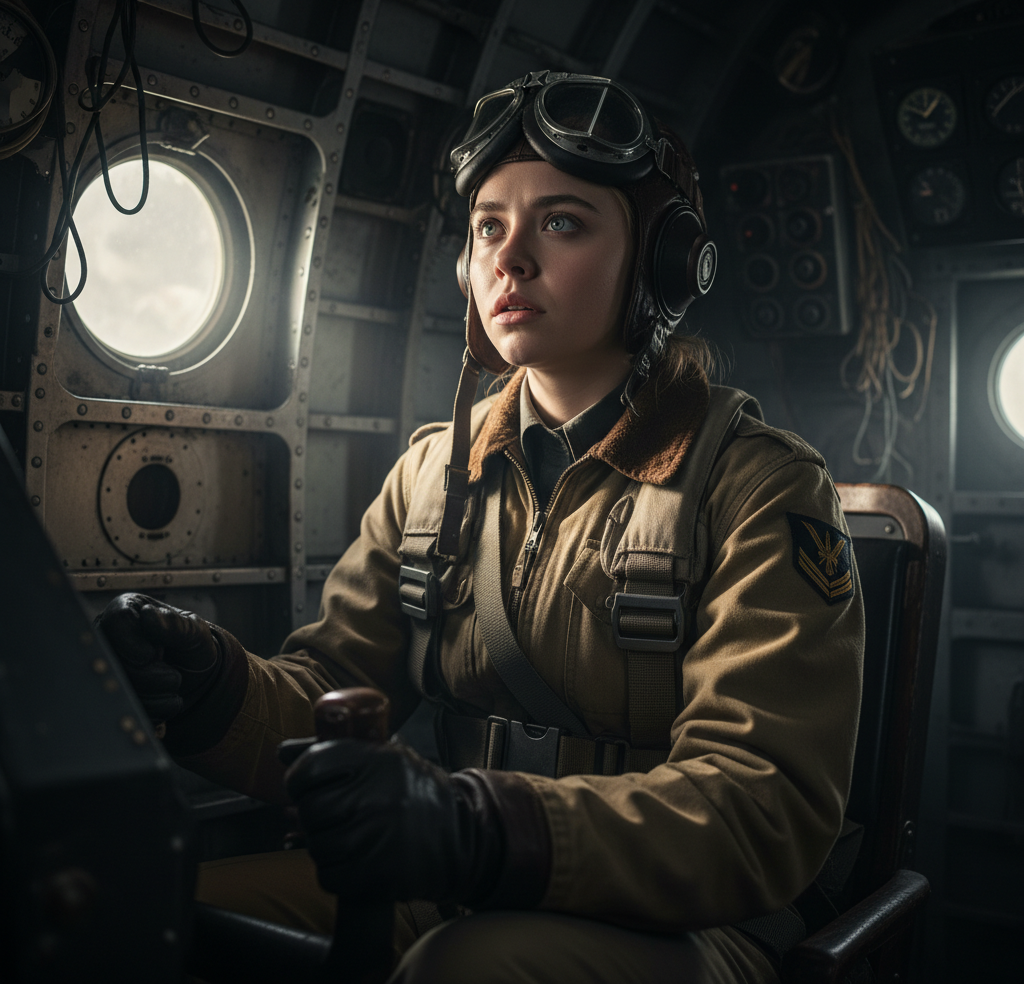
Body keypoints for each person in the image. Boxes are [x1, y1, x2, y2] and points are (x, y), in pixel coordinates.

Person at [98, 71, 864, 984]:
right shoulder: (434, 474)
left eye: (564, 222)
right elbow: (334, 690)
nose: (512, 258)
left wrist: (474, 827)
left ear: (661, 265)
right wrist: (209, 689)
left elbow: (758, 810)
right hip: (468, 876)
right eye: (490, 226)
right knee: (140, 907)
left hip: (696, 924)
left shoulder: (757, 489)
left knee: (463, 969)